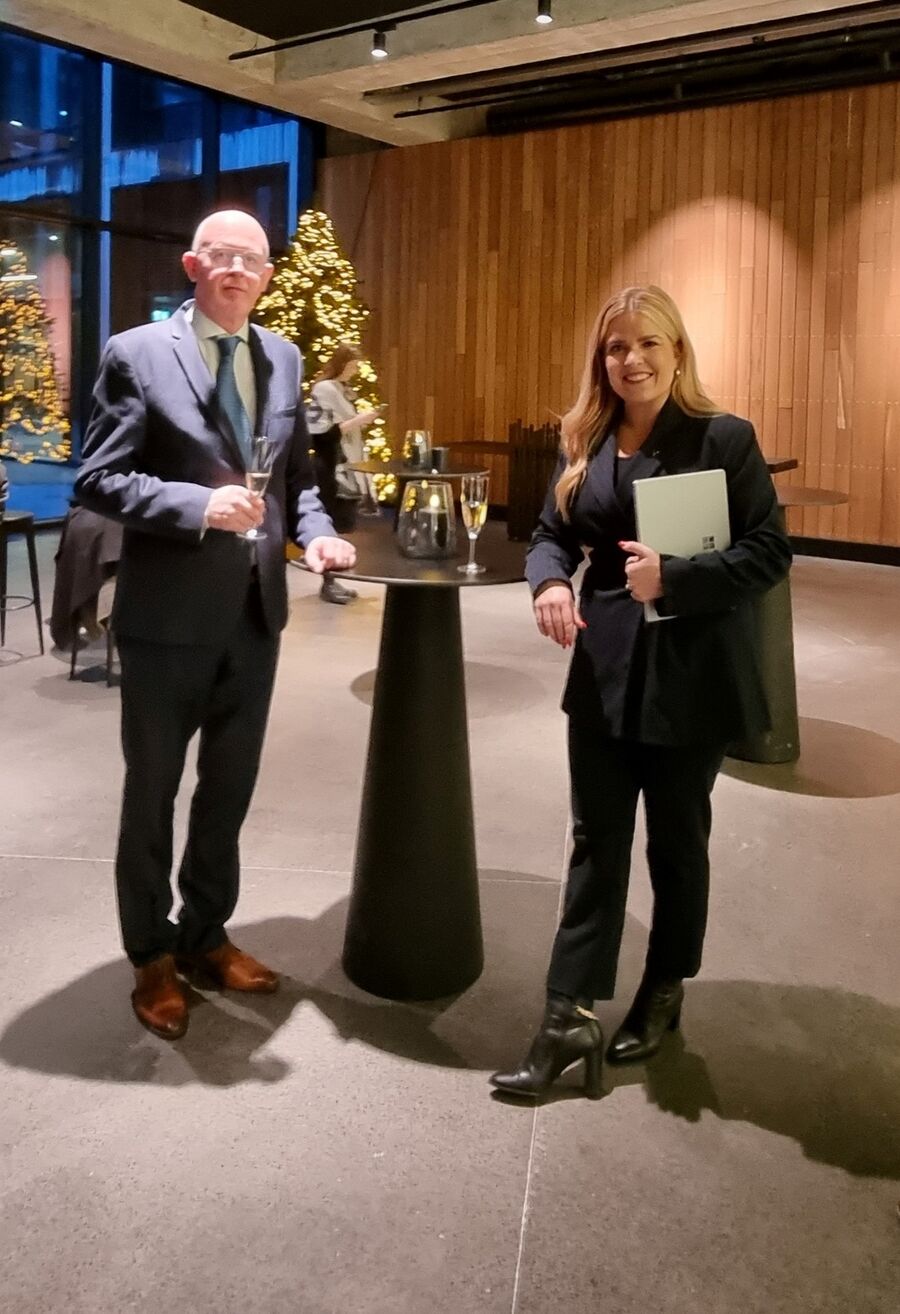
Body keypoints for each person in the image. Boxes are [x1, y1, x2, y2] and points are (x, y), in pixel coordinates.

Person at [491, 285, 792, 1100]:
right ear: (603, 359)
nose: (633, 359)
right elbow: (550, 535)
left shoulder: (723, 438)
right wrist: (550, 583)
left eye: (649, 343)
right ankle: (565, 1014)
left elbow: (770, 551)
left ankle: (665, 988)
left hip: (692, 676)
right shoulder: (585, 438)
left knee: (676, 842)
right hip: (606, 670)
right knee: (595, 840)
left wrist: (678, 578)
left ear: (677, 351)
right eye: (617, 346)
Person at [75, 209, 356, 1041]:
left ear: (267, 275)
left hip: (255, 615)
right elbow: (99, 478)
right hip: (166, 621)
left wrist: (317, 534)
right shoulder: (136, 353)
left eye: (253, 259)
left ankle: (205, 934)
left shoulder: (284, 357)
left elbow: (298, 481)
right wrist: (198, 505)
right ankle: (150, 955)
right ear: (194, 266)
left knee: (228, 792)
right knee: (152, 795)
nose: (238, 269)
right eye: (222, 255)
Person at [305, 342, 383, 605]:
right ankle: (328, 582)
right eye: (352, 365)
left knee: (342, 526)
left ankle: (333, 580)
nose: (354, 371)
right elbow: (322, 434)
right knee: (331, 527)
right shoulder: (324, 390)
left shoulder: (344, 390)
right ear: (342, 363)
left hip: (347, 468)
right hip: (332, 469)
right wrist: (361, 420)